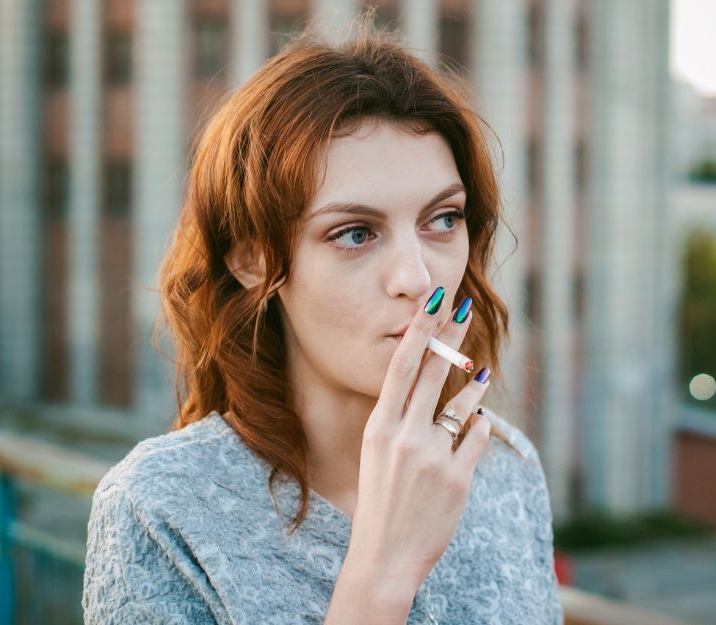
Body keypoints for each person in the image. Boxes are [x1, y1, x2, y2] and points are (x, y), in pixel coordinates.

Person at [82, 12, 562, 625]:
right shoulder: (161, 509)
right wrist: (383, 574)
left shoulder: (504, 467)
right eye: (355, 233)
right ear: (252, 259)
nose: (417, 278)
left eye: (443, 219)